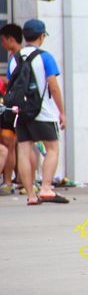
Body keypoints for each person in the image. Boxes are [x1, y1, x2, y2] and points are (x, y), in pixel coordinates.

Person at [9, 20, 68, 205]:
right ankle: (46, 188)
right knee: (52, 149)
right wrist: (62, 112)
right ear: (42, 36)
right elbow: (53, 87)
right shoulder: (45, 57)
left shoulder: (14, 59)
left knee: (24, 151)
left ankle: (31, 195)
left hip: (21, 112)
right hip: (43, 112)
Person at [0, 23, 23, 196]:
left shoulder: (17, 58)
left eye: (3, 40)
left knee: (10, 143)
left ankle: (9, 181)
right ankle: (18, 180)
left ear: (11, 39)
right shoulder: (18, 56)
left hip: (14, 107)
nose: (2, 44)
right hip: (18, 106)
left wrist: (2, 79)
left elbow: (14, 82)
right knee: (15, 144)